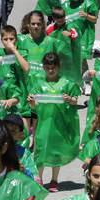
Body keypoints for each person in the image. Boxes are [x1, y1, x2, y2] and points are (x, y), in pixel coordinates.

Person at [27, 53, 80, 191]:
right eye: (48, 67)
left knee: (56, 151)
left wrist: (70, 100)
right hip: (43, 123)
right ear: (43, 67)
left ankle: (54, 180)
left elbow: (75, 101)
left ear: (59, 67)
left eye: (53, 67)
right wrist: (32, 103)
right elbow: (34, 106)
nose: (51, 70)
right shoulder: (39, 84)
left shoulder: (66, 83)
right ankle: (39, 179)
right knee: (41, 150)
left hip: (59, 123)